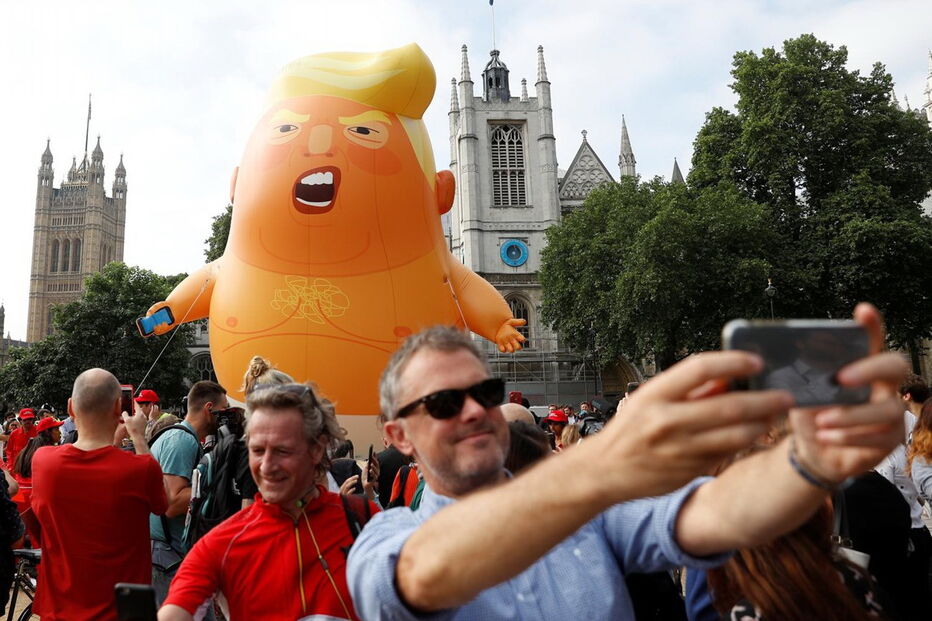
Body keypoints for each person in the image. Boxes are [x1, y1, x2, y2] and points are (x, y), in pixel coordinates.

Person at [347, 303, 906, 620]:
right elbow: (426, 573)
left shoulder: (590, 516)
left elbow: (718, 513)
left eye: (487, 392)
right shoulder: (384, 540)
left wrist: (806, 461)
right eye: (445, 403)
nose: (474, 411)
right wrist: (605, 459)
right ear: (399, 435)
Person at [158, 383, 377, 621]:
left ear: (317, 449)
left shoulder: (363, 520)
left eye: (282, 451)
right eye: (257, 450)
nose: (267, 466)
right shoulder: (223, 543)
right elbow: (176, 610)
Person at [30, 368, 167, 621]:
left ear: (71, 407)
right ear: (119, 407)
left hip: (59, 612)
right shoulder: (141, 468)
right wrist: (137, 436)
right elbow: (162, 505)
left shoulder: (44, 462)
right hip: (123, 613)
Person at [150, 380, 228, 606]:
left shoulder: (179, 437)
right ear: (208, 409)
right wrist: (216, 486)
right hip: (167, 556)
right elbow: (172, 502)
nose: (226, 419)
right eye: (223, 412)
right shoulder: (182, 439)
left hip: (166, 554)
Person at [874, 373, 931, 620]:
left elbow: (886, 494)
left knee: (911, 602)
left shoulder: (895, 448)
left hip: (906, 535)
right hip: (911, 531)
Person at [11, 416, 63, 546]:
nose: (60, 432)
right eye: (56, 429)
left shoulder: (28, 448)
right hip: (33, 500)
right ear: (48, 432)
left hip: (20, 499)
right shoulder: (48, 452)